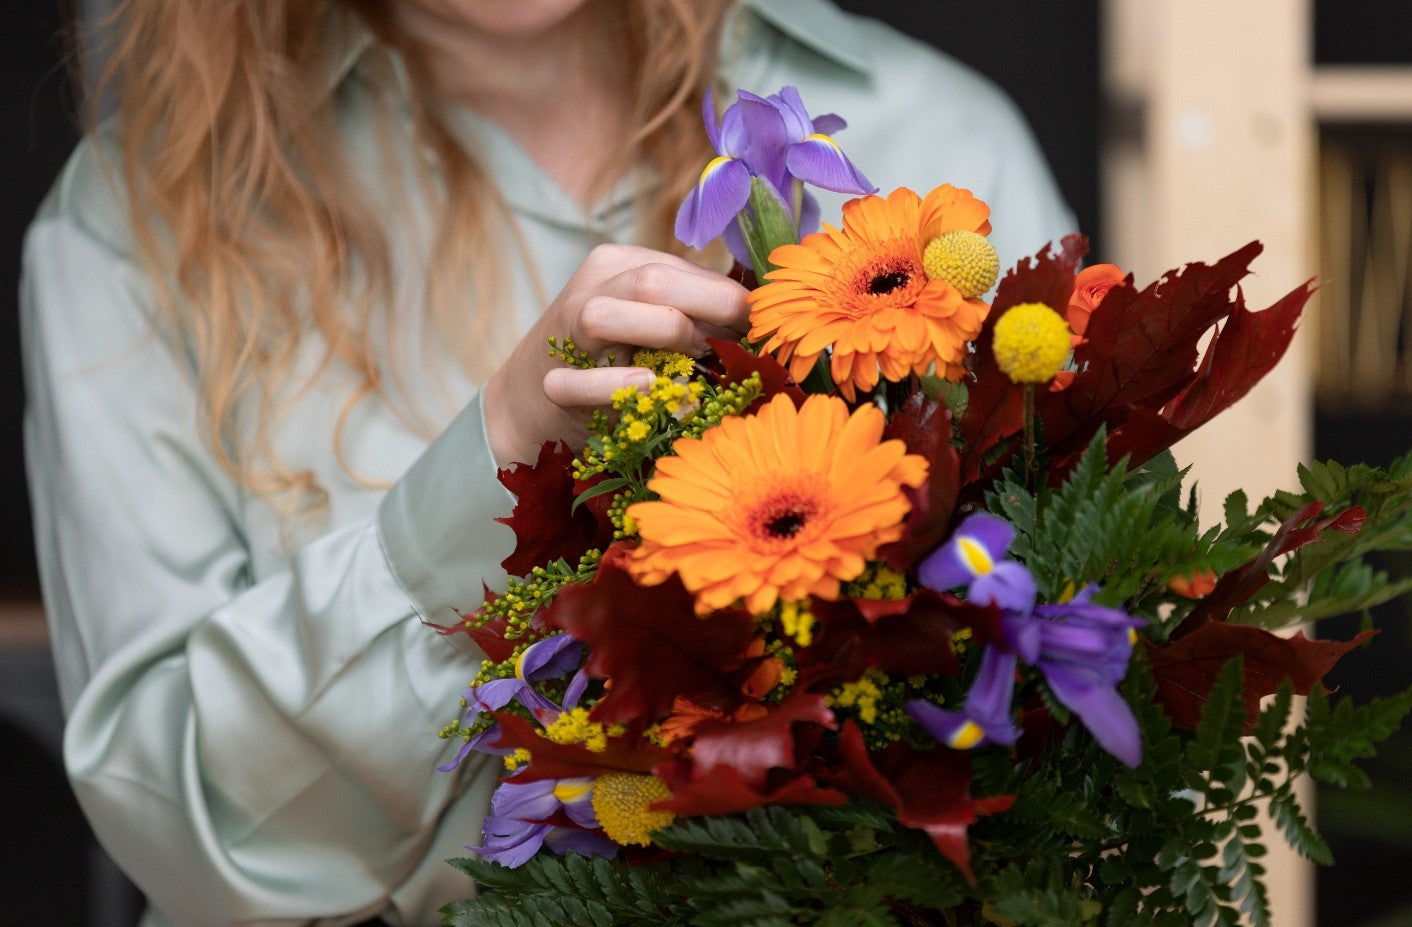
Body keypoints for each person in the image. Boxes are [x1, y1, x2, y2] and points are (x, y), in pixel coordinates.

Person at [21, 1, 1074, 924]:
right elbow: (182, 829)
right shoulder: (135, 230)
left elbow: (1069, 690)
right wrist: (495, 454)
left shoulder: (932, 137)